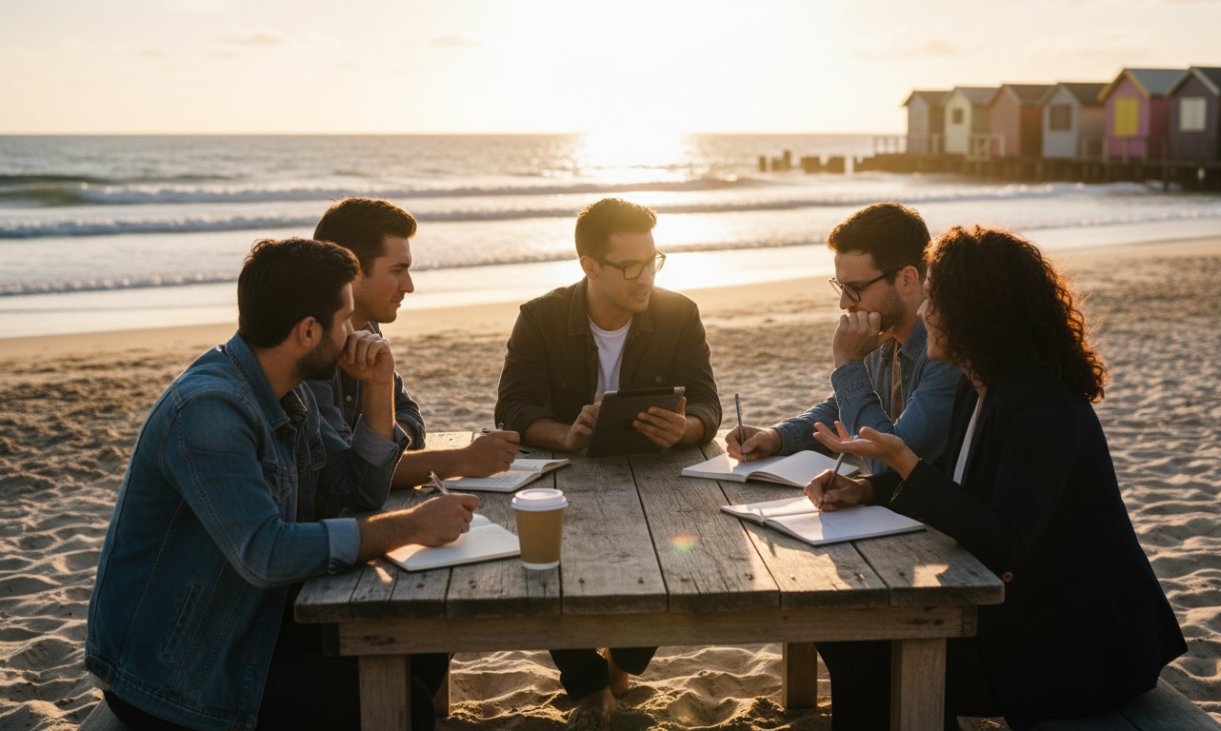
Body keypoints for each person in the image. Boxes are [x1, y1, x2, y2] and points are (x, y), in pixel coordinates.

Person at [83, 238, 480, 731]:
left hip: (252, 620)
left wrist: (379, 391)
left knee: (419, 641)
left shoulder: (286, 393)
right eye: (346, 320)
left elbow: (356, 491)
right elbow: (265, 552)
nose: (355, 332)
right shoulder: (208, 412)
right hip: (180, 668)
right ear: (309, 331)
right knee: (405, 706)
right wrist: (410, 526)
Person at [804, 226, 1187, 730]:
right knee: (848, 631)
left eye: (936, 302)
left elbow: (1005, 542)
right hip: (1023, 614)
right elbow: (957, 485)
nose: (924, 313)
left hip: (1076, 645)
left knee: (869, 647)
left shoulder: (1041, 407)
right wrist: (866, 488)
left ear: (975, 314)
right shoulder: (980, 385)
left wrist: (905, 465)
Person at [494, 198, 721, 727]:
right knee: (543, 568)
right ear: (588, 266)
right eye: (629, 267)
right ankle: (590, 686)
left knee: (675, 564)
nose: (644, 278)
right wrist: (566, 435)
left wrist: (686, 428)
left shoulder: (679, 313)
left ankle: (621, 666)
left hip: (654, 471)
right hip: (565, 473)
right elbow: (514, 407)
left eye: (653, 261)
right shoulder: (540, 317)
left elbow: (708, 400)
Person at [727, 202, 962, 474]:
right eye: (841, 286)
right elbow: (843, 407)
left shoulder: (943, 351)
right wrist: (777, 437)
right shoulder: (881, 330)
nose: (843, 302)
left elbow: (889, 464)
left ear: (907, 279)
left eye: (855, 288)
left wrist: (849, 362)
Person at [309, 197, 520, 492]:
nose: (409, 285)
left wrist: (386, 440)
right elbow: (353, 475)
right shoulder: (308, 347)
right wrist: (464, 460)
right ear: (352, 272)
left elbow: (409, 412)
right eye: (398, 270)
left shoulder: (366, 327)